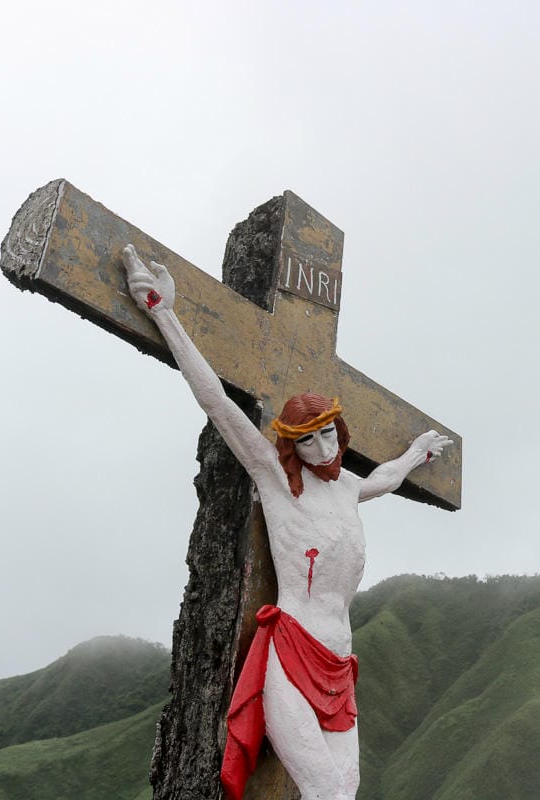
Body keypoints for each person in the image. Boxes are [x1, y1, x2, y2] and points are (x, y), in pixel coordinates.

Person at [121, 244, 451, 800]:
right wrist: (163, 311)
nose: (322, 446)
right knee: (324, 790)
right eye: (308, 438)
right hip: (293, 654)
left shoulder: (348, 486)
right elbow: (219, 406)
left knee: (345, 792)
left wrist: (417, 451)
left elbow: (389, 477)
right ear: (292, 443)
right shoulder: (276, 480)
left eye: (329, 433)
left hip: (340, 663)